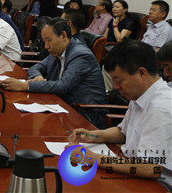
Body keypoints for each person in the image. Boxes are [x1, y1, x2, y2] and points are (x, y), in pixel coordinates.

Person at [69, 40, 172, 188]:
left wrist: (91, 157)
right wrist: (92, 136)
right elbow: (123, 132)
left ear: (142, 73)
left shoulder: (160, 108)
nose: (116, 87)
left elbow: (151, 168)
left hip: (156, 185)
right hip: (132, 170)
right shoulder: (140, 95)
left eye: (119, 81)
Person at [3, 18, 107, 128]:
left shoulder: (80, 55)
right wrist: (38, 76)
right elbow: (35, 68)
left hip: (84, 116)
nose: (46, 46)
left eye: (49, 40)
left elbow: (63, 86)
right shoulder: (58, 50)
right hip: (61, 106)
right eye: (44, 41)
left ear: (63, 36)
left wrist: (25, 86)